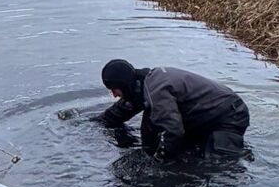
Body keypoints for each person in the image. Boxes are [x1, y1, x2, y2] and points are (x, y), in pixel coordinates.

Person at [98, 60, 250, 158]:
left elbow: (173, 132)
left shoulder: (155, 91)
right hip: (207, 115)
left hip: (230, 116)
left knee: (221, 166)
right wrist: (91, 122)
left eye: (114, 90)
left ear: (124, 85)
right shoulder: (144, 83)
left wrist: (158, 161)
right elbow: (120, 111)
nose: (114, 95)